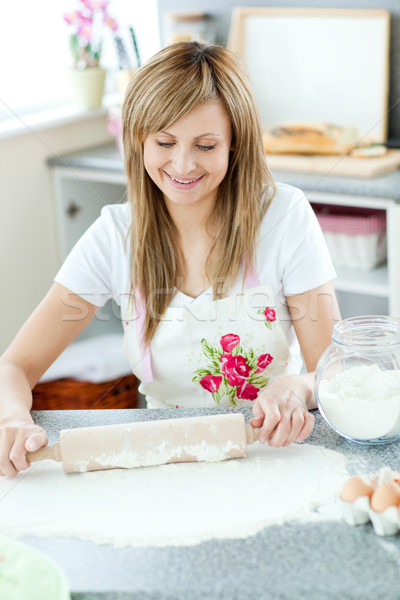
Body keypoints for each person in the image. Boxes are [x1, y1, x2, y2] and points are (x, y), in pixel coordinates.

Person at [0, 41, 340, 478]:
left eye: (205, 145)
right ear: (138, 139)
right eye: (165, 141)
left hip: (273, 454)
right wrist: (12, 419)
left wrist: (295, 386)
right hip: (163, 464)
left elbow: (334, 373)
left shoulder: (284, 216)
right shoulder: (113, 237)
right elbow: (15, 365)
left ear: (234, 144)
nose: (183, 164)